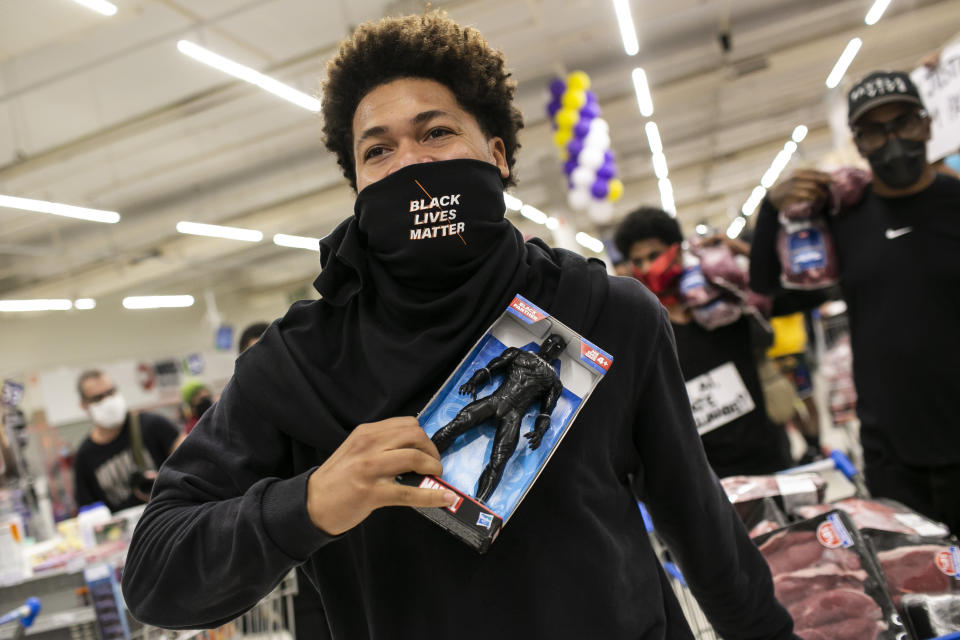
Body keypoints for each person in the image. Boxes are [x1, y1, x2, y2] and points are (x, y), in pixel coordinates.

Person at [122, 13, 794, 639]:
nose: (410, 163)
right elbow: (156, 574)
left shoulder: (607, 314)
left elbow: (700, 524)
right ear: (357, 184)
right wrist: (312, 503)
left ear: (497, 155)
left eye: (436, 132)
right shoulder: (301, 362)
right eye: (377, 150)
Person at [750, 70, 960, 534]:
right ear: (859, 144)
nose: (892, 141)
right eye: (874, 131)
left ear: (926, 125)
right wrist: (770, 209)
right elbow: (768, 290)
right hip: (893, 450)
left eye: (902, 123)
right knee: (923, 590)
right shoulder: (843, 221)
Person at [614, 207, 792, 478]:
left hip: (766, 451)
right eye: (637, 261)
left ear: (677, 250)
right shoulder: (643, 327)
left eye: (654, 255)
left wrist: (740, 251)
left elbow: (784, 288)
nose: (647, 267)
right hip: (705, 473)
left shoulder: (725, 300)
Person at [73, 369, 183, 512]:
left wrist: (165, 483)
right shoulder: (84, 457)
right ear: (84, 405)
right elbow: (89, 512)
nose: (108, 401)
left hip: (171, 515)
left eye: (111, 392)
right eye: (98, 398)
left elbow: (193, 462)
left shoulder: (153, 425)